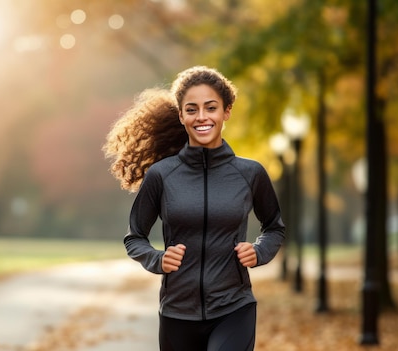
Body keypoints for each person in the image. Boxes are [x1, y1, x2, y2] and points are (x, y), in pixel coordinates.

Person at [102, 66, 285, 351]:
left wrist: (259, 252)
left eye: (210, 108)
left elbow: (274, 227)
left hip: (233, 307)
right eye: (192, 109)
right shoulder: (162, 175)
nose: (201, 117)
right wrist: (158, 259)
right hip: (177, 312)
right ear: (181, 115)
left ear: (226, 112)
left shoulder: (250, 173)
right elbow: (134, 236)